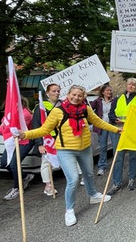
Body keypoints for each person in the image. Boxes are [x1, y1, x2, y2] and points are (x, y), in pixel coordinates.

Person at [18, 85, 120, 226]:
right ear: (68, 94)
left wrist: (116, 130)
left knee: (89, 174)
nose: (76, 97)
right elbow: (44, 129)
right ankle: (69, 210)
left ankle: (93, 195)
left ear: (83, 97)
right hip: (66, 150)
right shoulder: (58, 111)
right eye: (74, 94)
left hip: (84, 148)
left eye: (79, 95)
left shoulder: (86, 109)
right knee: (73, 180)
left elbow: (99, 122)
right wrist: (25, 134)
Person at [0, 98, 35, 201]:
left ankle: (17, 188)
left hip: (25, 141)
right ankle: (25, 176)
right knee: (4, 162)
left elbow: (13, 131)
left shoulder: (25, 114)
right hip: (13, 141)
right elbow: (5, 128)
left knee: (14, 163)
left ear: (20, 103)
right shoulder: (9, 113)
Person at [107, 78, 136, 194]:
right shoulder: (118, 98)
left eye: (134, 85)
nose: (131, 86)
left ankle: (132, 179)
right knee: (118, 157)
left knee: (133, 156)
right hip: (119, 130)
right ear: (126, 85)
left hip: (133, 131)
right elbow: (111, 113)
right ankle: (116, 183)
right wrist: (115, 119)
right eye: (129, 84)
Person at [31, 83, 61, 196]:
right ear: (47, 93)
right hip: (46, 138)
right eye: (54, 91)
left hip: (60, 138)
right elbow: (36, 126)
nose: (57, 93)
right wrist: (39, 143)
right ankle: (48, 185)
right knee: (46, 161)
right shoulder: (40, 107)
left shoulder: (63, 105)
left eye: (58, 91)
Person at [90, 84, 117, 176]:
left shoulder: (115, 100)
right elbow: (88, 108)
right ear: (102, 92)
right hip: (102, 126)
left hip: (112, 125)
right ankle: (102, 166)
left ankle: (116, 165)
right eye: (107, 91)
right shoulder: (97, 101)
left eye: (110, 90)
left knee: (115, 146)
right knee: (103, 147)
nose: (109, 92)